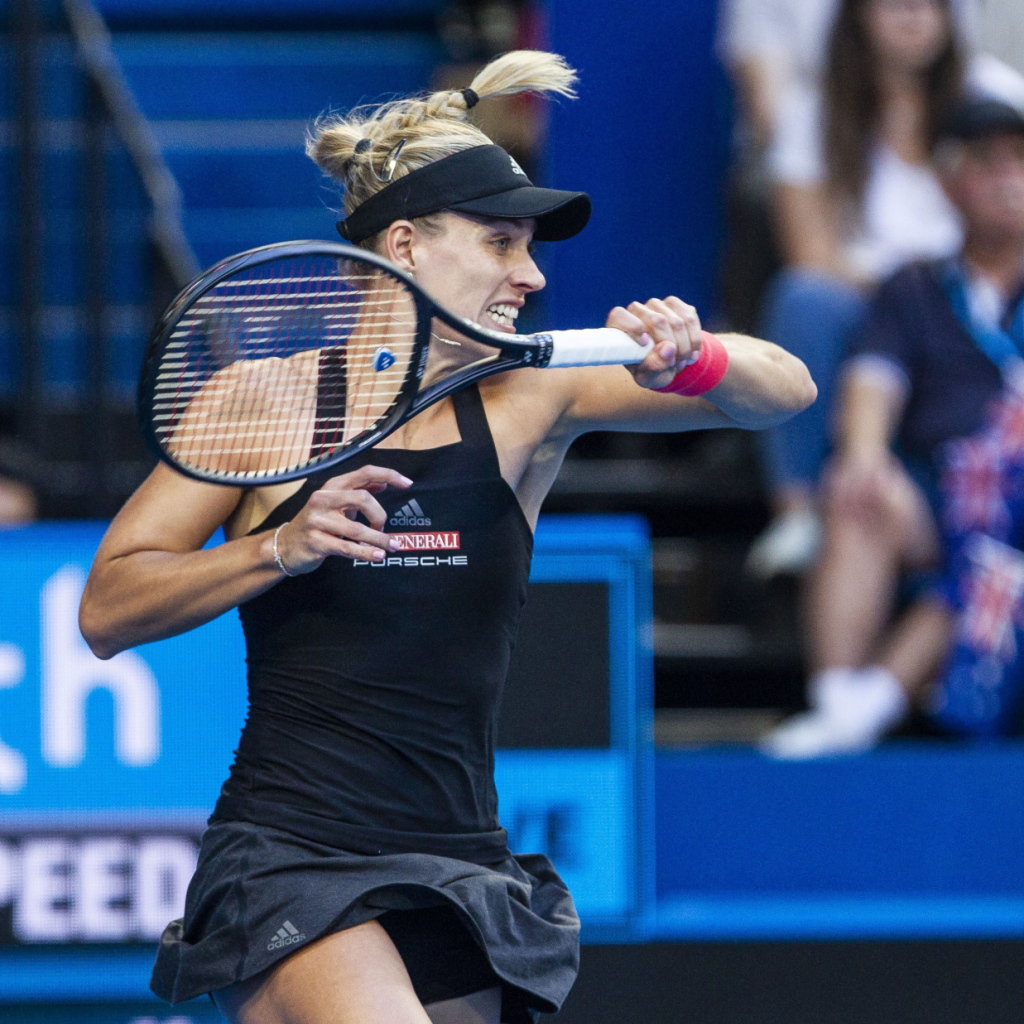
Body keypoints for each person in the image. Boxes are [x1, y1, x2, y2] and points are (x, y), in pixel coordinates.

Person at [79, 51, 815, 1024]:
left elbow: (787, 389)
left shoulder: (530, 402)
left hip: (459, 858)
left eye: (530, 247)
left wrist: (699, 357)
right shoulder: (257, 403)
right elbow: (106, 610)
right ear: (406, 244)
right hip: (288, 852)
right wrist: (276, 548)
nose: (530, 273)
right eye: (501, 242)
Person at [762, 96, 1024, 758]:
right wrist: (865, 452)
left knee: (996, 540)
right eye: (989, 163)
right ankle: (835, 699)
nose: (1009, 179)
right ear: (950, 181)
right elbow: (874, 378)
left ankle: (863, 712)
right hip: (939, 492)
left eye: (1021, 163)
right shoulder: (914, 287)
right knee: (863, 490)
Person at [746, 0, 1024, 579]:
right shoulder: (814, 106)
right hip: (870, 300)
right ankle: (799, 509)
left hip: (978, 297)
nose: (914, 15)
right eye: (896, 3)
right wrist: (909, 291)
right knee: (803, 299)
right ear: (859, 16)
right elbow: (809, 250)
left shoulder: (996, 90)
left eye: (931, 3)